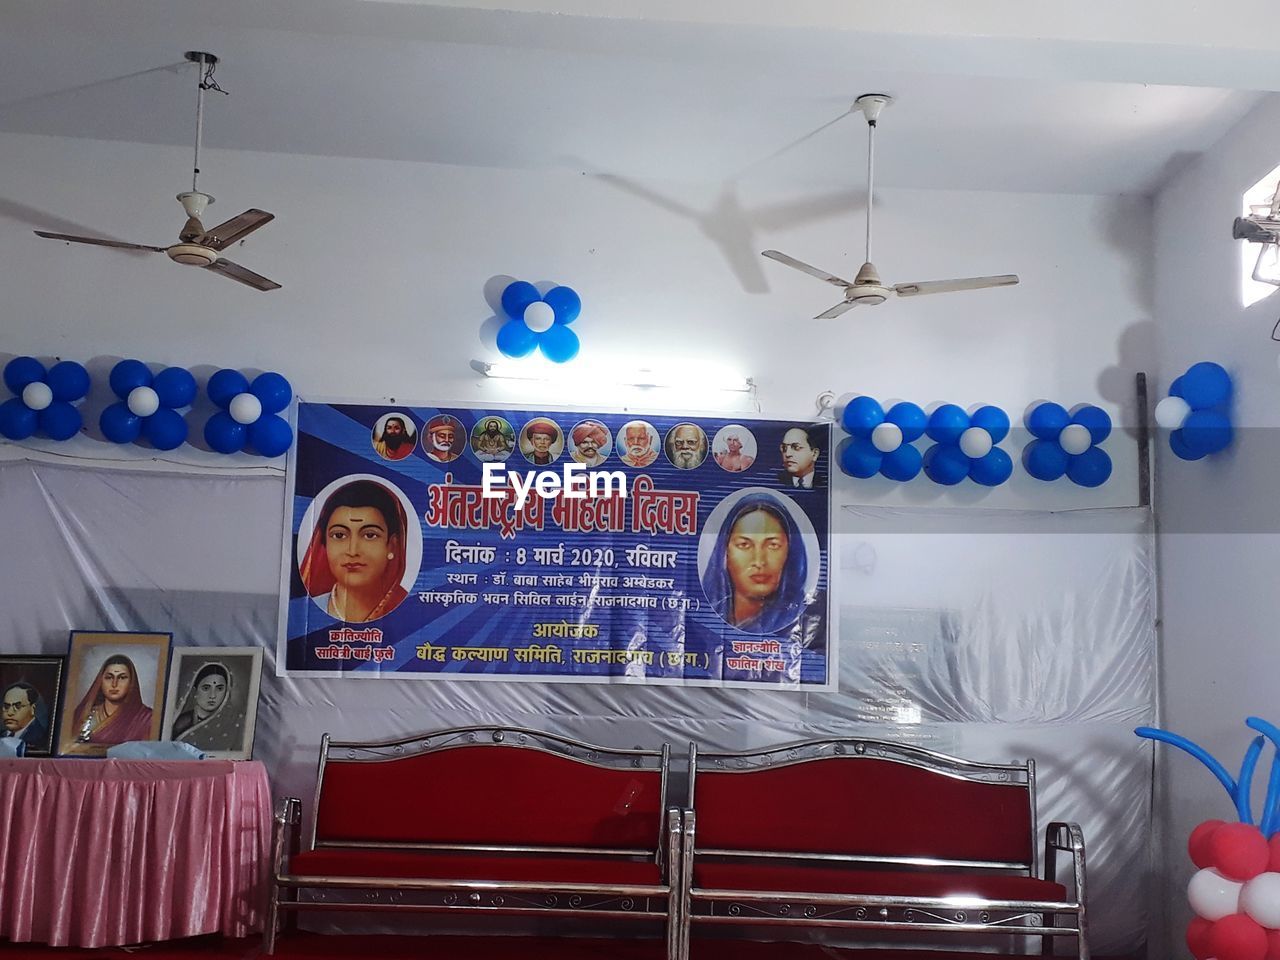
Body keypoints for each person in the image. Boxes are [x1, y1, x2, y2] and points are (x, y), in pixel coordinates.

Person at [299, 478, 411, 622]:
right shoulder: (306, 612)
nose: (352, 551)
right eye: (339, 535)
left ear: (392, 546)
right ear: (324, 544)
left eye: (370, 535)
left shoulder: (409, 609)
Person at [701, 492, 811, 634]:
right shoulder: (702, 617)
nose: (759, 561)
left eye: (773, 545)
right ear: (724, 553)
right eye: (744, 545)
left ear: (790, 551)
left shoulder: (805, 621)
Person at [64, 654, 155, 753]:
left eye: (122, 678)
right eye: (109, 677)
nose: (114, 684)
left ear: (131, 683)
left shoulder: (146, 719)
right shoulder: (83, 714)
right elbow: (67, 749)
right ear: (100, 681)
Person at [170, 662, 243, 751]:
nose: (212, 695)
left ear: (227, 692)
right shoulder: (181, 724)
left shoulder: (235, 723)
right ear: (194, 691)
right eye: (206, 688)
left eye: (219, 689)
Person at [1, 681, 48, 750]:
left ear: (32, 709)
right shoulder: (2, 735)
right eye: (6, 706)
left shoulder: (42, 738)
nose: (10, 713)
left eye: (17, 706)